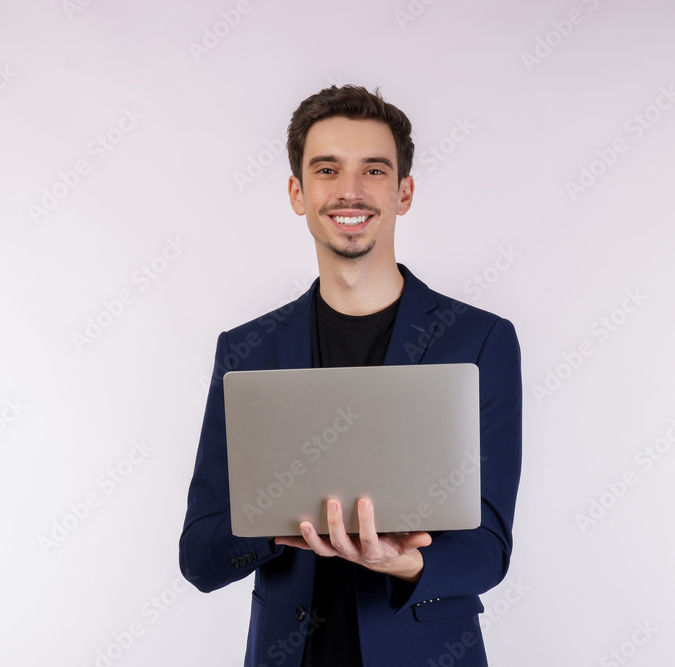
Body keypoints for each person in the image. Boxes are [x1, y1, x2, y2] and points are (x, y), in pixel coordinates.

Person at [179, 85, 522, 667]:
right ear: (297, 191)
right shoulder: (247, 350)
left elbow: (489, 547)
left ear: (403, 192)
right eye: (327, 169)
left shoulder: (480, 342)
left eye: (374, 170)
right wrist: (273, 527)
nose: (350, 191)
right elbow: (200, 556)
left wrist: (406, 562)